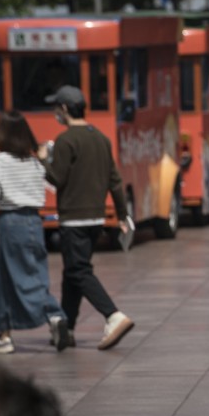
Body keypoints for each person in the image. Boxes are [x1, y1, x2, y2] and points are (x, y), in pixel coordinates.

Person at [41, 86, 134, 351]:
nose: (55, 113)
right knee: (72, 273)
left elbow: (56, 178)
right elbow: (115, 181)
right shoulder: (101, 139)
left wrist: (42, 160)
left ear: (66, 110)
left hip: (73, 218)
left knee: (79, 271)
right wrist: (123, 215)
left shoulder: (66, 141)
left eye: (56, 108)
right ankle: (67, 329)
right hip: (95, 218)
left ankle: (113, 316)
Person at [0, 111, 70, 355]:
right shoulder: (33, 162)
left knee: (7, 278)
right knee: (34, 274)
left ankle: (48, 317)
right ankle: (7, 330)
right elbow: (51, 184)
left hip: (9, 222)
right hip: (34, 221)